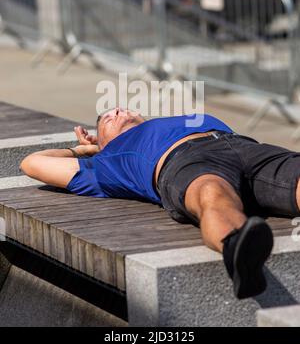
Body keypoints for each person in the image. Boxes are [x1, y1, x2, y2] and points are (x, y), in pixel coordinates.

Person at [20, 109, 300, 299]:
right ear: (102, 143)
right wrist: (84, 150)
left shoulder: (172, 121)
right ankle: (239, 249)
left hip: (247, 147)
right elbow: (32, 163)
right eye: (108, 118)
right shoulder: (105, 163)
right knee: (210, 193)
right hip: (183, 163)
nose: (119, 111)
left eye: (123, 109)